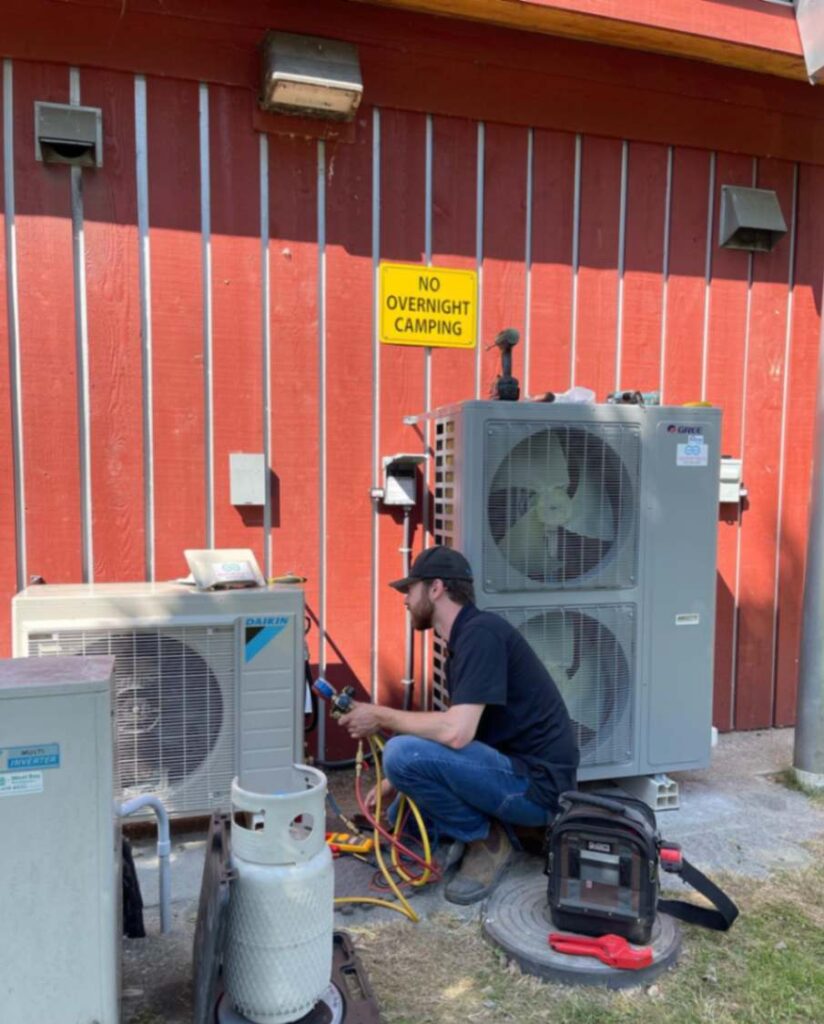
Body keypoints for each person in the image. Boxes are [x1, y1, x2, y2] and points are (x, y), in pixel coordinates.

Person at [338, 545, 579, 905]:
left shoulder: (482, 635)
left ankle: (486, 839)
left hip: (535, 789)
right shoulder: (466, 639)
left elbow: (456, 732)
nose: (405, 600)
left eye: (410, 589)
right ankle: (443, 838)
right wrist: (393, 784)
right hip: (511, 772)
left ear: (435, 588)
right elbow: (463, 739)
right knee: (400, 806)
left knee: (402, 753)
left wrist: (381, 716)